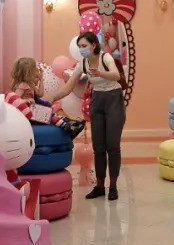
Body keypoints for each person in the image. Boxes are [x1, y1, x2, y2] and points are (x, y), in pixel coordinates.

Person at [54, 32, 126, 201]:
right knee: (98, 147)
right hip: (97, 101)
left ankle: (113, 186)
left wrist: (100, 73)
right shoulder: (83, 64)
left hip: (113, 99)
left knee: (113, 146)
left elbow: (116, 75)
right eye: (79, 47)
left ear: (93, 45)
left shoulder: (105, 57)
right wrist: (52, 98)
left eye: (84, 46)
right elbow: (69, 87)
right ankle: (100, 186)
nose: (81, 49)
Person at [5, 57, 85, 138]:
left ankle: (71, 123)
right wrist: (26, 100)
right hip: (27, 113)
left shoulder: (31, 84)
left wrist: (41, 80)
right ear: (28, 72)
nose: (36, 71)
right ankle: (67, 127)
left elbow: (40, 94)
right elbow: (16, 101)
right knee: (50, 115)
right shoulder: (21, 86)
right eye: (34, 69)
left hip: (33, 109)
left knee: (52, 114)